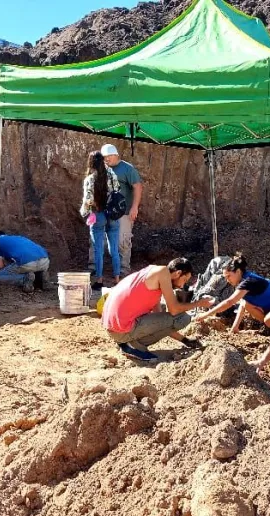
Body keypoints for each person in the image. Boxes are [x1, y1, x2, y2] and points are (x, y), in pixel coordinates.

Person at [102, 258, 211, 362]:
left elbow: (162, 324)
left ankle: (130, 343)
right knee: (183, 317)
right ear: (178, 273)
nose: (182, 285)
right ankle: (133, 346)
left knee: (165, 312)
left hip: (114, 329)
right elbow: (174, 310)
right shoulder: (163, 272)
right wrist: (199, 303)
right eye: (184, 280)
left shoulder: (152, 276)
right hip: (121, 329)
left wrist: (185, 340)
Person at [195, 253, 270, 333]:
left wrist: (206, 314)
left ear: (238, 271)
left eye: (229, 276)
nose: (227, 280)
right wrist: (235, 327)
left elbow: (229, 302)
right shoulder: (244, 279)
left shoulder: (248, 281)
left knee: (269, 319)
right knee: (247, 304)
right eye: (225, 277)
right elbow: (243, 304)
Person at [99, 144, 143, 274]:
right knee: (99, 239)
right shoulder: (103, 169)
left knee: (122, 241)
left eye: (109, 157)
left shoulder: (128, 169)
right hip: (105, 211)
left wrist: (135, 207)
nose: (106, 160)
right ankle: (96, 269)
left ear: (116, 154)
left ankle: (124, 269)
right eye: (104, 157)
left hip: (123, 212)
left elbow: (138, 187)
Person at [80, 150, 122, 287]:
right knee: (114, 249)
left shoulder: (90, 179)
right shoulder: (111, 174)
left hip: (98, 214)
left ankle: (99, 280)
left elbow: (88, 200)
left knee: (98, 249)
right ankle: (117, 279)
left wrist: (84, 212)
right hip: (113, 214)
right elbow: (118, 191)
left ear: (91, 163)